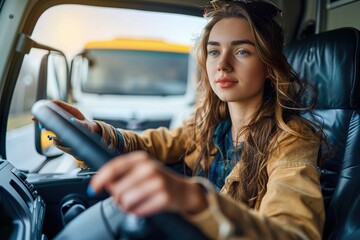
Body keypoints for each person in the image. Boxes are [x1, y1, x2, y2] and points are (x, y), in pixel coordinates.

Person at [52, 0, 326, 239]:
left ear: (268, 65)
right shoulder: (208, 125)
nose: (222, 64)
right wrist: (94, 132)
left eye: (242, 51)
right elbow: (151, 144)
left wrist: (196, 200)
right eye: (214, 51)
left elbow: (294, 233)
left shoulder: (292, 139)